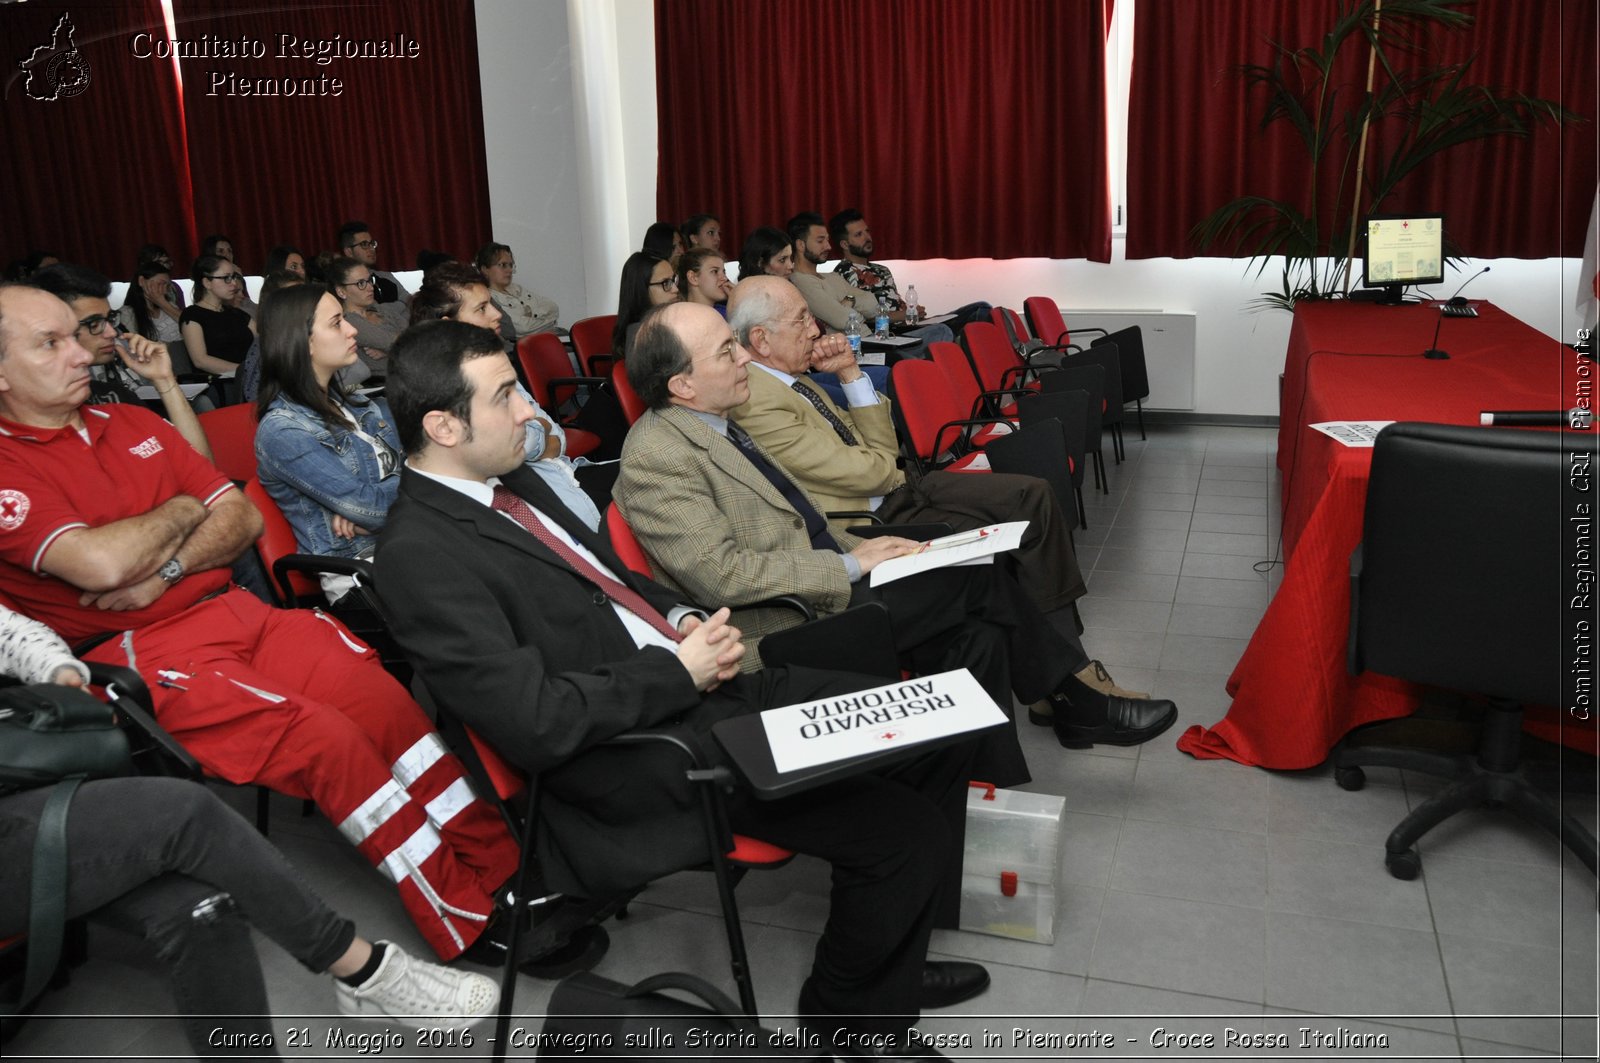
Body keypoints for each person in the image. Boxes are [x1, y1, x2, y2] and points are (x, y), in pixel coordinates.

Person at [375, 318, 990, 1061]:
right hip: (636, 754)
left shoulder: (508, 480)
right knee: (905, 832)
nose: (529, 411)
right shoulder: (419, 554)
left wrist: (678, 614)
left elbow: (610, 580)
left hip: (695, 688)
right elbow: (533, 720)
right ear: (442, 424)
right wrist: (678, 670)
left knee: (929, 724)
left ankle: (886, 953)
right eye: (506, 395)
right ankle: (850, 1022)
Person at [0, 282, 521, 961]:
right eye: (51, 342)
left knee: (384, 703)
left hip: (230, 609)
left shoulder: (128, 421)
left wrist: (166, 560)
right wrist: (190, 509)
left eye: (77, 333)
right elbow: (98, 564)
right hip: (136, 651)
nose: (82, 350)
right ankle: (463, 915)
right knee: (328, 740)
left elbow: (241, 515)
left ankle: (507, 869)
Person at [614, 302, 1179, 755]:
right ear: (682, 386)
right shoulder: (657, 456)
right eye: (726, 350)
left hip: (831, 575)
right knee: (974, 582)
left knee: (975, 635)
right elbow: (722, 575)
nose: (743, 358)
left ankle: (981, 785)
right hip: (785, 624)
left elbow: (797, 517)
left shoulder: (718, 424)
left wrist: (867, 548)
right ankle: (1077, 697)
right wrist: (853, 563)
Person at [0, 606, 500, 1055]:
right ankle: (363, 970)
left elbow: (11, 632)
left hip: (22, 787)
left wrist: (54, 669)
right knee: (186, 815)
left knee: (197, 909)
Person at [727, 277, 1156, 706]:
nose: (816, 330)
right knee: (1006, 539)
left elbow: (880, 446)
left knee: (1034, 496)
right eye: (802, 319)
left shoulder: (794, 378)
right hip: (871, 520)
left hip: (901, 486)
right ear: (762, 339)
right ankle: (1068, 685)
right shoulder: (755, 399)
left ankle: (1070, 667)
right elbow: (871, 468)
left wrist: (850, 372)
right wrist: (882, 460)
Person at [410, 263, 605, 528]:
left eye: (492, 304)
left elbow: (555, 436)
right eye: (481, 309)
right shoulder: (444, 390)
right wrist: (540, 434)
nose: (496, 314)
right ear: (449, 327)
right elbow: (519, 445)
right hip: (542, 502)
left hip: (563, 476)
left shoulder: (494, 363)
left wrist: (539, 435)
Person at [254, 283, 399, 583]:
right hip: (359, 572)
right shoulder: (283, 430)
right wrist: (371, 511)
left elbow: (417, 463)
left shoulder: (355, 402)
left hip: (402, 544)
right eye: (336, 323)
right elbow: (375, 506)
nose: (352, 330)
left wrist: (369, 510)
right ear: (302, 341)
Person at [31, 263, 211, 460]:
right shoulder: (37, 424)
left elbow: (199, 463)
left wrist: (164, 380)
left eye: (110, 319)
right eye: (95, 323)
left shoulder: (114, 396)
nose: (111, 332)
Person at [785, 212, 952, 353]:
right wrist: (853, 306)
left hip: (877, 339)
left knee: (953, 323)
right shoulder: (801, 282)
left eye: (827, 240)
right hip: (861, 348)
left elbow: (872, 306)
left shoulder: (830, 277)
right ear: (801, 245)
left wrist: (847, 301)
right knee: (941, 332)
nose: (828, 246)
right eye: (820, 241)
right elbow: (844, 320)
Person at [829, 208, 991, 333]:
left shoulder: (882, 269)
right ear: (844, 244)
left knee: (980, 309)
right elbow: (857, 319)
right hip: (890, 334)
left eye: (867, 231)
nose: (867, 237)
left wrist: (914, 310)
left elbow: (896, 304)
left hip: (911, 325)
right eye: (859, 235)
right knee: (944, 331)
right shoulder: (843, 273)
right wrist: (904, 315)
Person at [328, 254, 409, 376]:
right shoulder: (348, 322)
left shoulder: (380, 309)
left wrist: (388, 352)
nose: (370, 287)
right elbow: (405, 340)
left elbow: (416, 335)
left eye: (370, 280)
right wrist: (398, 343)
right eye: (361, 283)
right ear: (341, 291)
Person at [178, 254, 256, 375]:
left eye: (234, 277)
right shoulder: (192, 315)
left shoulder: (238, 314)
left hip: (248, 379)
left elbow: (263, 341)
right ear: (207, 282)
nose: (234, 283)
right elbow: (200, 360)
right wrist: (246, 371)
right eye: (226, 278)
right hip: (219, 384)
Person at [474, 241, 559, 338]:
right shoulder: (488, 298)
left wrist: (531, 314)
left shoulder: (517, 289)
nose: (509, 270)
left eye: (511, 265)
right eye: (503, 265)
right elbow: (521, 328)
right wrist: (549, 322)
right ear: (485, 269)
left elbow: (553, 308)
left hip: (546, 339)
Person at [612, 250, 681, 358]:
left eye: (674, 280)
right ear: (641, 289)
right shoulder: (641, 338)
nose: (675, 289)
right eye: (666, 283)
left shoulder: (668, 323)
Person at [337, 220, 408, 305]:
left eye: (371, 243)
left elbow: (409, 301)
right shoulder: (345, 283)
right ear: (349, 252)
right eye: (364, 244)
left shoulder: (386, 276)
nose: (371, 249)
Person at [119, 259, 183, 343]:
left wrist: (162, 303)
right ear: (141, 281)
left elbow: (188, 324)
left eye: (167, 286)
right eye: (160, 284)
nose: (164, 290)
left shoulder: (170, 305)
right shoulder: (127, 313)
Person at [199, 234, 257, 317]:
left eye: (229, 251)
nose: (227, 255)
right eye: (221, 251)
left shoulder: (237, 274)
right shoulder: (208, 280)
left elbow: (243, 299)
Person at [677, 246, 731, 314]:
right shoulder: (680, 317)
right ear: (693, 278)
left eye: (724, 272)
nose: (725, 278)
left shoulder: (727, 312)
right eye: (715, 271)